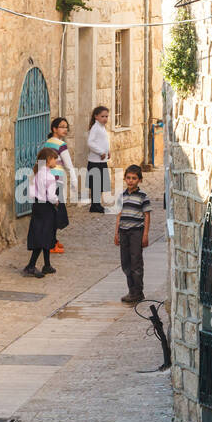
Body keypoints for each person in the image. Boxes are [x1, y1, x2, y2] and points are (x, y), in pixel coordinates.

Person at [114, 164, 152, 303]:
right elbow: (119, 215)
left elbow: (147, 216)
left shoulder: (143, 197)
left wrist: (145, 234)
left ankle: (138, 292)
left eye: (134, 178)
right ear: (125, 179)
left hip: (136, 232)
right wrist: (116, 233)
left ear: (139, 180)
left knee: (136, 262)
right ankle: (131, 290)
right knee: (125, 262)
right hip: (124, 232)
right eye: (128, 178)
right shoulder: (122, 196)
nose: (131, 181)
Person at [23, 147, 59, 278]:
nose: (56, 161)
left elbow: (32, 193)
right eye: (55, 159)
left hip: (37, 206)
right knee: (44, 236)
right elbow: (51, 196)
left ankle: (47, 264)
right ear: (49, 160)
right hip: (47, 208)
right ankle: (31, 266)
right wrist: (56, 201)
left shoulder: (36, 173)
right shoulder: (49, 176)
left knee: (42, 234)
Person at [42, 117, 73, 253]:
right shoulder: (61, 145)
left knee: (50, 212)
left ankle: (53, 241)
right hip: (56, 181)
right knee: (55, 213)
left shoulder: (47, 143)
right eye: (62, 127)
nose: (65, 129)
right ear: (54, 129)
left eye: (66, 127)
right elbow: (69, 165)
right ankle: (51, 243)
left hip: (46, 180)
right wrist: (74, 180)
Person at [86, 105, 110, 213]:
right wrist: (100, 152)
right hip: (95, 161)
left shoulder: (102, 127)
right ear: (96, 116)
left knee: (100, 183)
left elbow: (104, 141)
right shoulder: (95, 128)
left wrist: (108, 151)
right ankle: (95, 205)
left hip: (102, 160)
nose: (105, 118)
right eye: (102, 116)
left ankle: (97, 204)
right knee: (96, 184)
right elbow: (90, 142)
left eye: (106, 116)